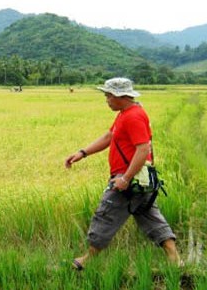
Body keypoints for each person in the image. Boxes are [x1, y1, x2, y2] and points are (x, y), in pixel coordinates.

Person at [64, 78, 180, 269]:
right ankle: (174, 260)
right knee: (151, 217)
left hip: (128, 180)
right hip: (138, 181)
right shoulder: (125, 114)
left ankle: (87, 260)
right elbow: (109, 137)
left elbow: (143, 149)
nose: (106, 99)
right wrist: (82, 153)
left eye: (108, 95)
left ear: (120, 96)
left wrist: (125, 178)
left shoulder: (133, 116)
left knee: (106, 214)